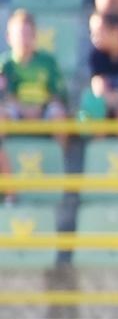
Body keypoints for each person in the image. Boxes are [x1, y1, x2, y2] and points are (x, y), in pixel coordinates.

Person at [0, 10, 70, 193]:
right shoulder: (4, 65)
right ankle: (7, 184)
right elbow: (4, 95)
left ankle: (59, 169)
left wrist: (40, 107)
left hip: (44, 109)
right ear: (9, 38)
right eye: (19, 34)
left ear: (35, 36)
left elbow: (58, 93)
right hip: (15, 110)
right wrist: (22, 108)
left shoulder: (48, 62)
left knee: (60, 116)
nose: (24, 39)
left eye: (28, 34)